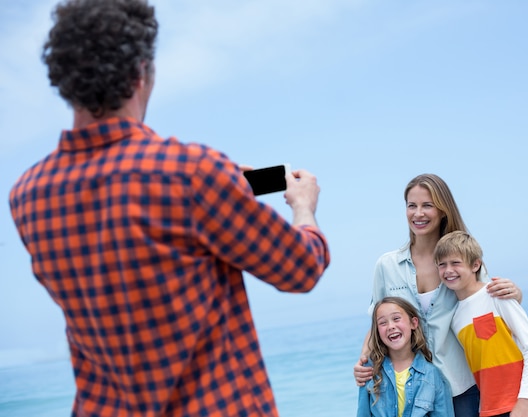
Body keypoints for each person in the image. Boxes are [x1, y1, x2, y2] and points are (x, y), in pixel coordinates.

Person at [8, 1, 330, 416]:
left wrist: (216, 191)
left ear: (64, 81)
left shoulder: (28, 195)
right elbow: (300, 269)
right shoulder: (190, 173)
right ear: (142, 71)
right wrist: (303, 209)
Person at [354, 174, 523, 417]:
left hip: (463, 386)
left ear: (443, 210)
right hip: (413, 390)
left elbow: (491, 309)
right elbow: (376, 322)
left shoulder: (462, 263)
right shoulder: (386, 265)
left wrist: (515, 294)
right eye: (412, 206)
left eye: (427, 205)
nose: (418, 213)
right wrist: (364, 364)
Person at [434, 231, 528, 417]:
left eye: (455, 263)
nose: (448, 270)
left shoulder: (497, 295)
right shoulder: (455, 317)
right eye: (442, 265)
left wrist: (525, 401)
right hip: (488, 409)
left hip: (522, 407)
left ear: (475, 265)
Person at [357, 297, 454, 417]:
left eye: (396, 318)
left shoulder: (432, 375)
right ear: (377, 332)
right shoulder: (370, 371)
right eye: (383, 323)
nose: (391, 326)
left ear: (413, 323)